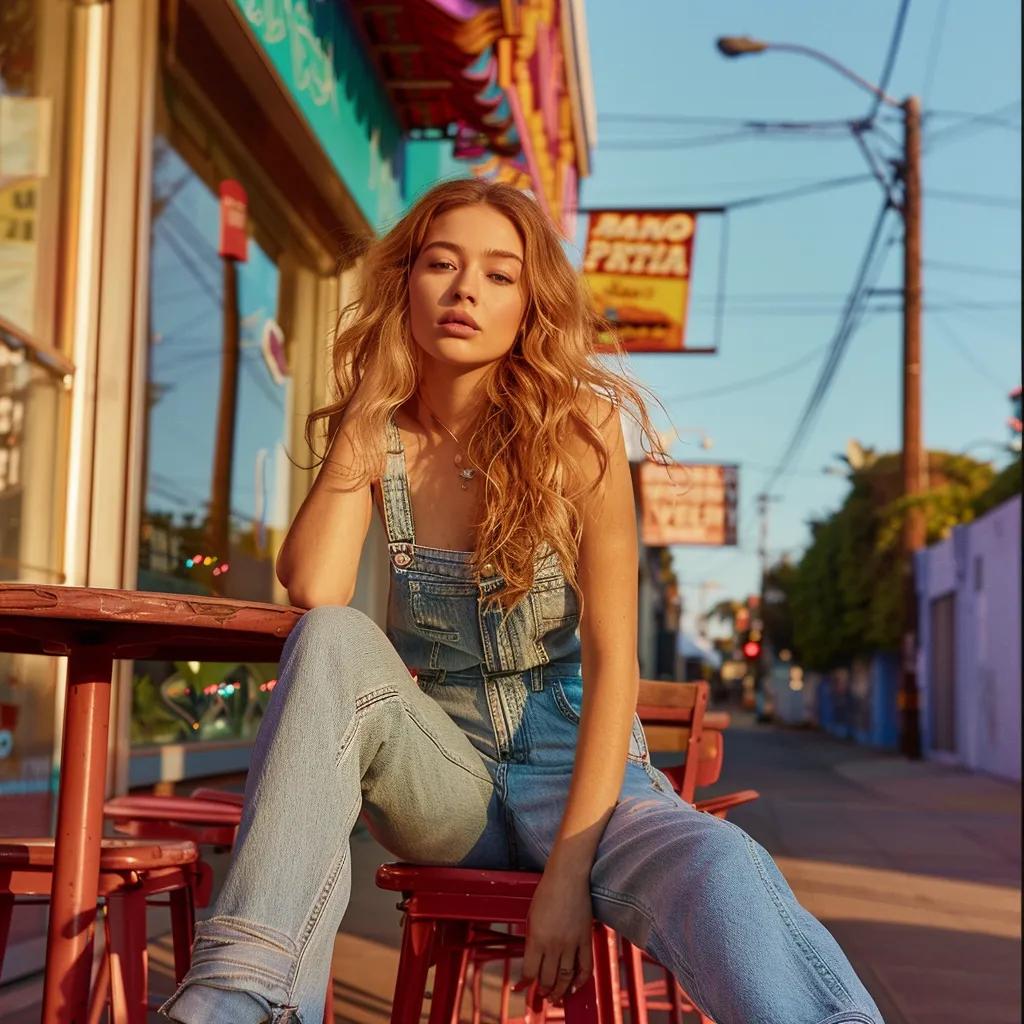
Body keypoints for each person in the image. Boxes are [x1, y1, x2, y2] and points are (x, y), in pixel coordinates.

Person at [159, 179, 883, 1024]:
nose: (466, 289)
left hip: (582, 778)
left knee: (718, 865)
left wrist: (569, 874)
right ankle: (244, 999)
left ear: (530, 306)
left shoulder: (581, 432)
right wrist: (369, 400)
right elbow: (315, 583)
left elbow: (616, 662)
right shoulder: (382, 431)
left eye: (500, 275)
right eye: (441, 264)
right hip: (446, 780)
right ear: (405, 286)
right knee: (329, 634)